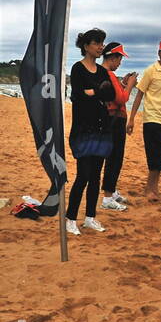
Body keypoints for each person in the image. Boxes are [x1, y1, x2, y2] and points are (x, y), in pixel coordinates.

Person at [65, 29, 116, 235]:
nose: (100, 47)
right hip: (83, 130)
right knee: (83, 176)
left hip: (101, 128)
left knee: (96, 177)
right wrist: (97, 91)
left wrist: (92, 92)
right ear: (86, 46)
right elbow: (78, 95)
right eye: (97, 43)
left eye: (102, 43)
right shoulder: (78, 69)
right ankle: (70, 219)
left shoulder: (103, 71)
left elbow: (111, 93)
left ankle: (90, 218)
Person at [126, 38, 161, 201]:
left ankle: (154, 188)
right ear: (159, 53)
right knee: (154, 155)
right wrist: (131, 119)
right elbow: (139, 95)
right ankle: (148, 189)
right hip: (151, 119)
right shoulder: (150, 70)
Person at [99, 42, 136, 211]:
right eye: (119, 58)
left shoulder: (105, 74)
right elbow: (121, 99)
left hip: (112, 120)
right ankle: (107, 197)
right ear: (112, 57)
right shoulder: (108, 74)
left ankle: (111, 191)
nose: (120, 62)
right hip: (114, 121)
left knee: (114, 158)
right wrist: (130, 85)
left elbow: (114, 94)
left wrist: (123, 84)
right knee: (114, 158)